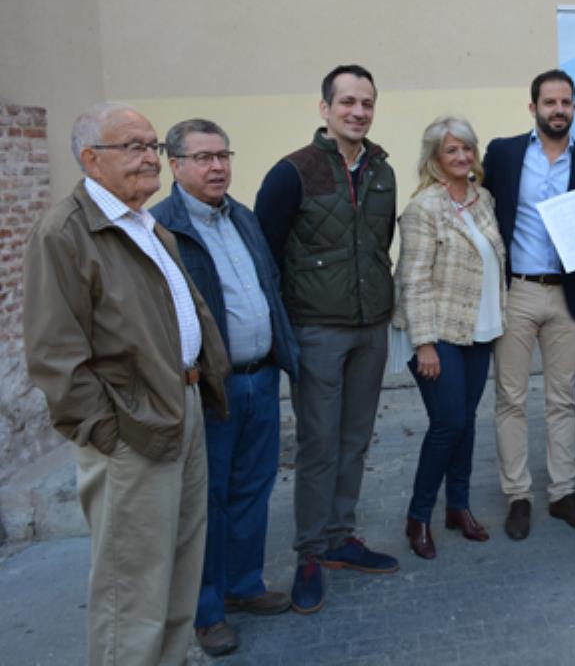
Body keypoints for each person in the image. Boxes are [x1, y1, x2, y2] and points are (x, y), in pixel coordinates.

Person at [23, 102, 230, 665]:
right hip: (130, 430)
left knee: (181, 568)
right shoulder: (66, 232)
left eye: (152, 146)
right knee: (130, 587)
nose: (150, 157)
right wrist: (107, 432)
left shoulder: (145, 223)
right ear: (92, 159)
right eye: (134, 146)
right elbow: (53, 353)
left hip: (179, 407)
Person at [151, 119, 300, 656]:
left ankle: (244, 586)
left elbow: (269, 284)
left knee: (254, 488)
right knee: (208, 500)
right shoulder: (161, 227)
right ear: (176, 166)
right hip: (211, 386)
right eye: (204, 158)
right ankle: (207, 610)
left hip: (262, 375)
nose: (218, 167)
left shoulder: (243, 217)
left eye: (224, 155)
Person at [255, 65, 398, 614]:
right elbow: (266, 254)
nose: (358, 112)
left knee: (356, 437)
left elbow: (379, 245)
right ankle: (310, 552)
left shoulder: (381, 170)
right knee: (318, 444)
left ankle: (340, 536)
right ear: (325, 109)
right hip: (316, 330)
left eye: (366, 103)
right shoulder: (294, 172)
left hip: (371, 327)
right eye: (347, 102)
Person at [482, 68, 575, 541]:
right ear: (533, 108)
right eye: (549, 103)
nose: (558, 110)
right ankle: (517, 495)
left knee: (563, 399)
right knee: (511, 399)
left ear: (574, 108)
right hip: (516, 292)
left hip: (568, 295)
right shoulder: (502, 154)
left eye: (565, 103)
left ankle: (563, 493)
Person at [393, 116, 506, 559]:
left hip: (479, 328)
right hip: (438, 332)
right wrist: (423, 342)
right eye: (451, 151)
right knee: (448, 424)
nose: (462, 157)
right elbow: (413, 278)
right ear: (435, 159)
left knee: (467, 419)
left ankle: (458, 507)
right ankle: (418, 515)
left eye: (467, 149)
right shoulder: (424, 208)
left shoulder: (484, 199)